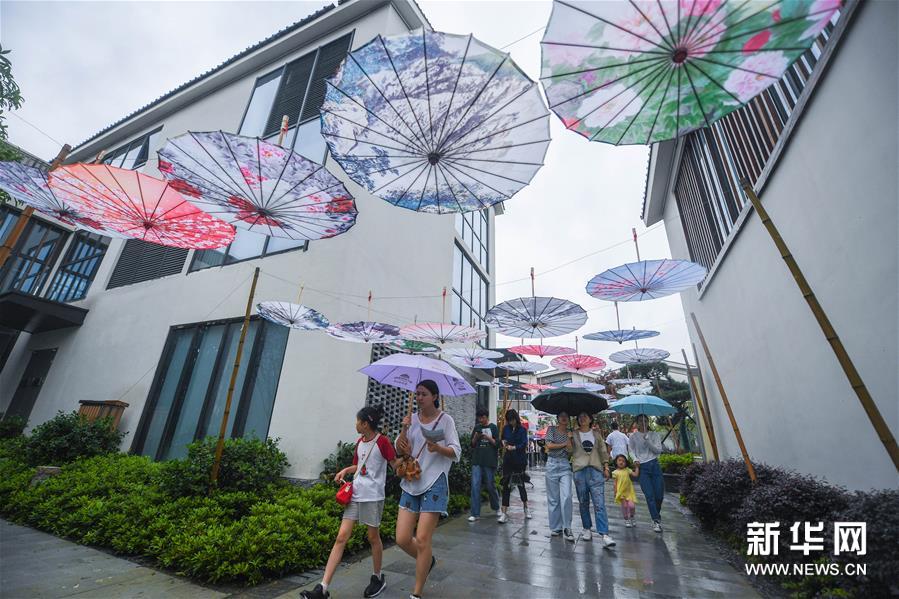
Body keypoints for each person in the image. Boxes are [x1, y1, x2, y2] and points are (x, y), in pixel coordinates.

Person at [302, 405, 397, 599]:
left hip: (373, 497)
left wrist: (406, 455)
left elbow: (395, 465)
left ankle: (378, 577)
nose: (356, 424)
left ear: (365, 424)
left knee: (373, 537)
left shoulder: (383, 442)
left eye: (358, 421)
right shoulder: (360, 442)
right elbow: (358, 465)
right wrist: (345, 470)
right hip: (356, 493)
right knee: (341, 537)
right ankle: (323, 588)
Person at [395, 380, 461, 599]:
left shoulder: (446, 420)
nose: (419, 398)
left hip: (434, 482)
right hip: (412, 479)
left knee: (423, 539)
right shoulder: (411, 419)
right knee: (402, 538)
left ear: (434, 396)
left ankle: (416, 593)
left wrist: (438, 448)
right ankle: (427, 559)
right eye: (417, 394)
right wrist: (404, 430)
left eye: (423, 394)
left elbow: (456, 451)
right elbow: (399, 449)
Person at [570, 411, 615, 547]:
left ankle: (604, 534)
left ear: (590, 419)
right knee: (583, 502)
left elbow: (603, 451)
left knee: (599, 503)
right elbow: (569, 451)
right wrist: (569, 439)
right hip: (580, 471)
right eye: (580, 416)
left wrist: (606, 467)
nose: (582, 418)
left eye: (585, 416)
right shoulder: (573, 434)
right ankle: (587, 528)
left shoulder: (596, 434)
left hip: (596, 470)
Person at [628, 414, 665, 533]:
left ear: (648, 422)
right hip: (643, 467)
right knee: (649, 495)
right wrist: (635, 459)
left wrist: (648, 441)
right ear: (637, 423)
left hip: (655, 466)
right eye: (640, 421)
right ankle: (656, 520)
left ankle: (656, 515)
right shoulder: (633, 436)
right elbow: (631, 450)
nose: (643, 423)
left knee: (659, 496)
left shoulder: (654, 435)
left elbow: (658, 450)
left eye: (645, 420)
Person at [543, 411, 574, 541]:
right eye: (561, 416)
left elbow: (570, 451)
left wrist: (570, 439)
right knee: (553, 498)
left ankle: (567, 527)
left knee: (567, 496)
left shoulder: (570, 433)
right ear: (557, 418)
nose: (564, 418)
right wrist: (564, 444)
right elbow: (549, 445)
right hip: (551, 464)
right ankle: (556, 527)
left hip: (564, 464)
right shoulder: (551, 429)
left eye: (566, 416)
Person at [498, 409, 531, 523]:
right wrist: (503, 442)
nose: (511, 422)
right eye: (509, 420)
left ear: (516, 419)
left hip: (519, 460)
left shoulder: (522, 430)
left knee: (521, 484)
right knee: (506, 485)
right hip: (508, 460)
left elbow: (524, 443)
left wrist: (515, 447)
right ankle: (504, 513)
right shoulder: (506, 428)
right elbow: (502, 439)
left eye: (512, 420)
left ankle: (526, 508)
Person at [468, 409, 499, 522]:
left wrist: (488, 438)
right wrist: (476, 437)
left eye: (482, 418)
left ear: (486, 417)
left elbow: (498, 444)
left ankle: (496, 507)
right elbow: (472, 444)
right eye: (479, 418)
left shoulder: (493, 427)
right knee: (475, 486)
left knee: (490, 485)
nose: (480, 420)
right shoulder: (477, 428)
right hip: (477, 460)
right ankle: (475, 513)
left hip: (489, 461)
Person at [612, 454, 640, 528]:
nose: (621, 462)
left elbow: (635, 475)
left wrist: (637, 467)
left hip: (629, 492)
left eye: (623, 461)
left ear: (626, 463)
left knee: (632, 506)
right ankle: (626, 519)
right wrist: (615, 492)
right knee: (624, 506)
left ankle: (632, 516)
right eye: (619, 460)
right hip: (621, 492)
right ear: (616, 462)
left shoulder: (627, 470)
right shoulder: (615, 472)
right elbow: (615, 484)